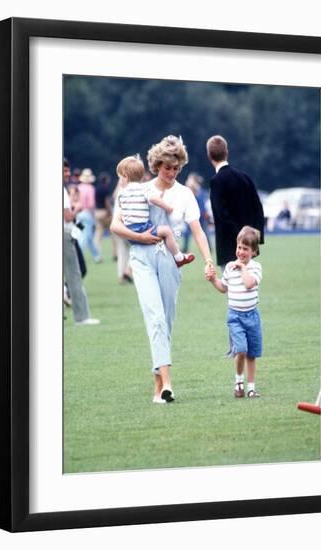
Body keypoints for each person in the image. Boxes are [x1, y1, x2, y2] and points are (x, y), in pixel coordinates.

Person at [111, 135, 215, 404]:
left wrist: (208, 260)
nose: (172, 172)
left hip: (169, 260)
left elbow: (198, 231)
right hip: (142, 258)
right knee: (155, 317)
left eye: (177, 168)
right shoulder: (139, 188)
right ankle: (167, 383)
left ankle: (158, 384)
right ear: (156, 165)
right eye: (168, 167)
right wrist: (143, 238)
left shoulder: (185, 195)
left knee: (166, 321)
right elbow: (115, 225)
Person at [206, 226, 262, 398]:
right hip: (235, 317)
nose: (241, 252)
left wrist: (243, 267)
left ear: (253, 251)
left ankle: (251, 388)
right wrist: (213, 279)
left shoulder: (255, 268)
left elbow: (249, 284)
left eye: (245, 249)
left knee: (252, 355)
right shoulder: (230, 267)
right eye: (239, 247)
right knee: (241, 350)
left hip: (252, 316)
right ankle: (239, 381)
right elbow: (224, 288)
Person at [116, 154, 195, 267]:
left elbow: (121, 207)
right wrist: (167, 207)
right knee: (167, 231)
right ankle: (179, 257)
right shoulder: (143, 189)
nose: (119, 181)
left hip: (129, 232)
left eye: (120, 177)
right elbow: (153, 199)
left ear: (126, 176)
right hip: (142, 228)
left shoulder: (121, 193)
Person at [206, 135, 264, 267]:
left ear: (209, 156)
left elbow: (222, 215)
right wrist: (254, 239)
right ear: (227, 152)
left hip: (229, 247)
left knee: (233, 287)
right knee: (249, 285)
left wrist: (239, 240)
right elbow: (258, 208)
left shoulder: (216, 181)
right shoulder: (245, 177)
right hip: (249, 247)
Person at [63, 160, 100, 326]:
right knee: (75, 275)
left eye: (68, 171)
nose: (67, 174)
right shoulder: (63, 191)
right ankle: (82, 317)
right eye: (64, 171)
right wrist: (77, 207)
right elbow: (68, 217)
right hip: (66, 233)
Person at [74, 168, 102, 263]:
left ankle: (97, 256)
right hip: (87, 213)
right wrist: (93, 215)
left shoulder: (78, 187)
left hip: (78, 213)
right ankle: (78, 255)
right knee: (85, 237)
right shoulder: (90, 188)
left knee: (88, 236)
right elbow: (91, 205)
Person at [182, 172, 212, 253]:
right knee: (187, 232)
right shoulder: (190, 192)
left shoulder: (200, 192)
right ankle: (185, 248)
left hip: (201, 215)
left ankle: (209, 248)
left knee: (205, 233)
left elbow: (202, 205)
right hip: (193, 215)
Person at [93, 172, 114, 259]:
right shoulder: (106, 189)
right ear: (106, 180)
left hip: (97, 212)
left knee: (98, 235)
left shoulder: (96, 189)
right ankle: (115, 253)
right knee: (113, 233)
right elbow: (107, 202)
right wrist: (110, 212)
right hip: (105, 213)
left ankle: (97, 254)